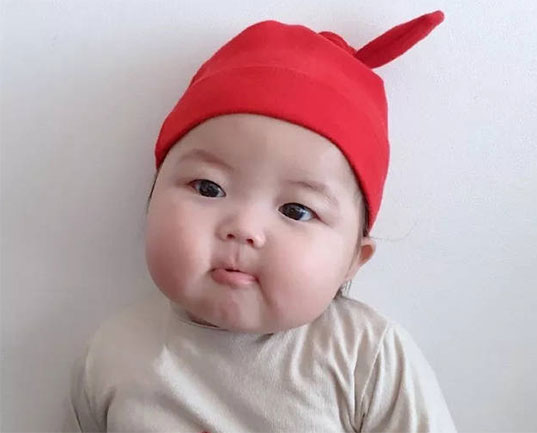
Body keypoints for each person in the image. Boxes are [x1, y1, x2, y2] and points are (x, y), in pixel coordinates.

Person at [65, 10, 457, 432]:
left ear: (352, 260)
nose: (243, 228)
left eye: (296, 210)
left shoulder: (366, 358)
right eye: (208, 188)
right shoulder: (112, 355)